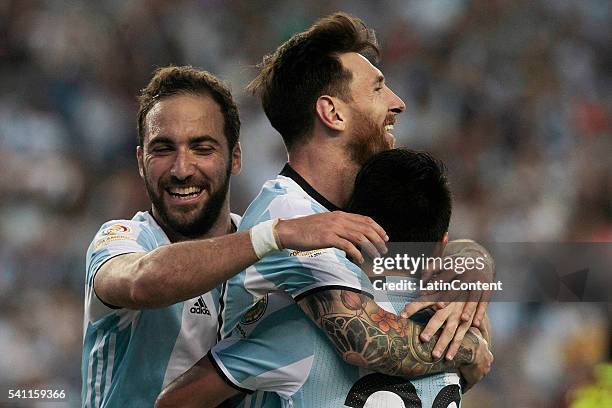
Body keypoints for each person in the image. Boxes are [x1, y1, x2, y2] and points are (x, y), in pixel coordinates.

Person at [157, 12, 493, 407]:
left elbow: (432, 261)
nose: (398, 103)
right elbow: (364, 342)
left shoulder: (360, 209)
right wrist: (470, 350)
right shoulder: (289, 214)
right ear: (332, 113)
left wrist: (471, 260)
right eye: (378, 88)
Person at [81, 65, 388, 408]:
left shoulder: (280, 252)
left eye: (202, 148)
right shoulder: (124, 239)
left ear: (235, 157)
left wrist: (456, 299)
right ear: (141, 161)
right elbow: (142, 282)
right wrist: (276, 233)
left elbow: (382, 321)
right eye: (163, 149)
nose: (181, 169)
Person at [157, 149, 492, 407]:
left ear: (350, 224)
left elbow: (175, 401)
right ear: (441, 246)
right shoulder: (460, 326)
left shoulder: (302, 325)